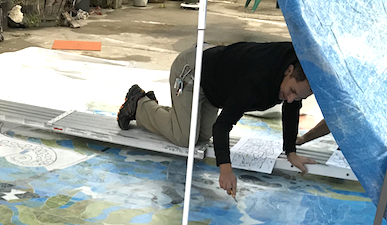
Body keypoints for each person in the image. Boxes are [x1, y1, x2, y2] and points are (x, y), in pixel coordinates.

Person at [117, 42, 316, 197]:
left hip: (215, 83)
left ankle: (170, 114)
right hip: (192, 71)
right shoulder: (255, 83)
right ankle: (140, 104)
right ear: (289, 71)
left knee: (202, 138)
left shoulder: (302, 63)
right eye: (291, 92)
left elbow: (292, 107)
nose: (290, 99)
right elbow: (222, 126)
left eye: (298, 97)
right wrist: (226, 170)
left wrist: (290, 151)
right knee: (185, 138)